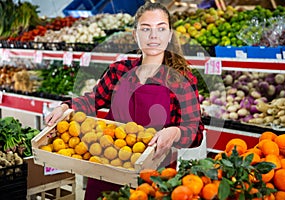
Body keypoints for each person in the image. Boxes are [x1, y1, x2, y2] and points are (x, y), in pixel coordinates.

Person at [45, 1, 204, 199]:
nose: (153, 36)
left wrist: (176, 132)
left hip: (152, 178)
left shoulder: (181, 79)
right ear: (134, 35)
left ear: (169, 35)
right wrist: (65, 107)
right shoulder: (120, 70)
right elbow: (93, 101)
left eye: (160, 29)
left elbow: (195, 132)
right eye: (146, 29)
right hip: (107, 167)